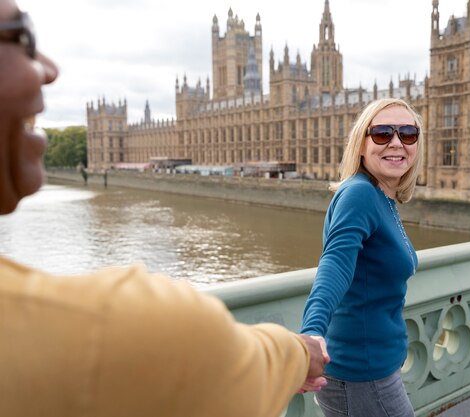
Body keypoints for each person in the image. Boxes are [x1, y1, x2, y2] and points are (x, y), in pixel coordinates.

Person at [0, 1, 328, 416]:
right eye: (21, 36)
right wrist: (298, 352)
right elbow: (237, 361)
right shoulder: (127, 322)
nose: (48, 67)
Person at [300, 98, 423, 416]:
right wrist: (312, 331)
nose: (397, 142)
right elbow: (335, 262)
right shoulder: (360, 194)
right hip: (360, 374)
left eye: (408, 133)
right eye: (382, 133)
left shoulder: (383, 195)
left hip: (377, 366)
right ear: (361, 144)